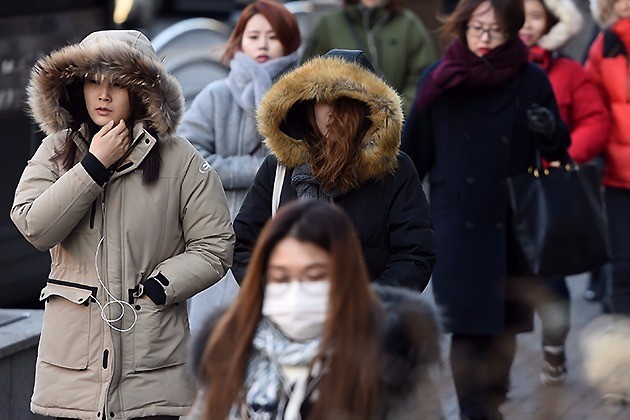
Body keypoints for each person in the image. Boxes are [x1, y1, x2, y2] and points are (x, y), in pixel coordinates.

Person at [11, 30, 235, 419]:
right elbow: (34, 226)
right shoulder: (57, 149)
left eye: (118, 84)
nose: (103, 94)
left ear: (144, 93)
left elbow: (215, 243)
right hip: (71, 370)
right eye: (94, 81)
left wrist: (160, 287)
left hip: (151, 362)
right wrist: (92, 166)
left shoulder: (179, 158)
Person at [401, 0, 570, 418]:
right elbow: (414, 155)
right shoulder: (438, 79)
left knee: (505, 323)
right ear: (461, 27)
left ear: (512, 32)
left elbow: (558, 148)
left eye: (494, 31)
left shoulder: (531, 79)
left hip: (512, 222)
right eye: (477, 28)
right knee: (467, 326)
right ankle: (475, 411)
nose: (484, 39)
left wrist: (548, 131)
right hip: (458, 223)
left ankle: (491, 403)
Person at [187, 200, 444, 419]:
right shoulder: (229, 352)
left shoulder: (392, 363)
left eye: (315, 276)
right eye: (282, 278)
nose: (297, 291)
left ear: (345, 278)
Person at [231, 48, 436, 291]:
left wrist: (369, 307)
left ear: (365, 108)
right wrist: (278, 296)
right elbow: (244, 246)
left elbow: (415, 253)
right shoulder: (279, 169)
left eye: (344, 101)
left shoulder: (394, 170)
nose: (332, 113)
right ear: (308, 106)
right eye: (322, 101)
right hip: (289, 318)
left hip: (366, 322)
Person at [177, 0, 301, 334]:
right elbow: (189, 159)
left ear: (290, 43)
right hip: (223, 231)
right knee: (217, 343)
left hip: (286, 232)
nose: (262, 44)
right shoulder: (217, 96)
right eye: (253, 35)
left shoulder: (303, 101)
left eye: (273, 36)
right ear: (239, 42)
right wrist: (260, 168)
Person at [519, 0, 611, 386]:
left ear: (552, 23)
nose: (526, 25)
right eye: (520, 15)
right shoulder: (484, 71)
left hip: (546, 190)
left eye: (536, 16)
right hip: (498, 191)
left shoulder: (569, 72)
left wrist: (566, 153)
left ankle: (554, 348)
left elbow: (595, 119)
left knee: (551, 276)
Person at [301, 0, 437, 114]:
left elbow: (422, 77)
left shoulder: (409, 24)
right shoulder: (329, 25)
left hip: (399, 129)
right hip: (341, 127)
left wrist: (396, 114)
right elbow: (310, 77)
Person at [585, 0, 630, 316]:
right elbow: (592, 108)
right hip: (618, 175)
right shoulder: (605, 44)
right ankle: (621, 352)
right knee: (622, 264)